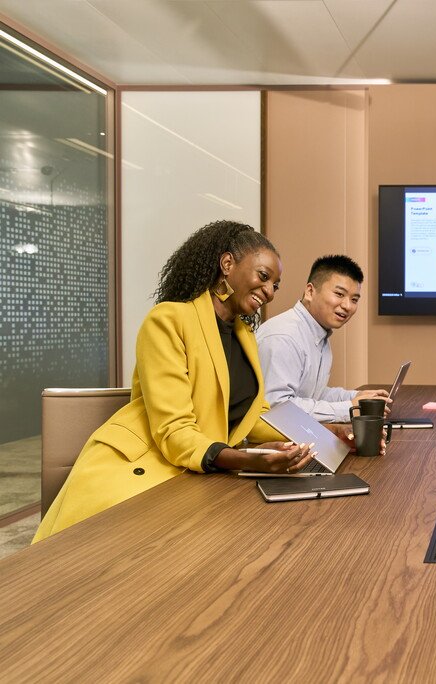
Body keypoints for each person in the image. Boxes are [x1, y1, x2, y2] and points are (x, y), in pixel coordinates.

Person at [35, 221, 317, 542]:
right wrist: (247, 459)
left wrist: (327, 436)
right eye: (264, 277)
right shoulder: (168, 319)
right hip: (139, 474)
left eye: (276, 286)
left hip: (195, 476)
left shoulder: (245, 336)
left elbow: (257, 416)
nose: (269, 292)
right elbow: (175, 430)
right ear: (227, 264)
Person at [256, 255, 388, 422]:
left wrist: (358, 397)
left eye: (354, 299)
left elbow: (314, 395)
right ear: (310, 291)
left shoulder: (318, 333)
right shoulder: (283, 336)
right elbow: (278, 408)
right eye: (339, 294)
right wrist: (349, 408)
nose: (347, 306)